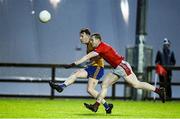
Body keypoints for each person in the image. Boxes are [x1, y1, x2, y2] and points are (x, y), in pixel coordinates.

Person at [65, 33, 166, 113]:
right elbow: (90, 57)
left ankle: (159, 91)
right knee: (104, 85)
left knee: (136, 84)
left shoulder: (100, 47)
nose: (91, 41)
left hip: (122, 66)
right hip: (117, 67)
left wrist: (73, 63)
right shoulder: (100, 47)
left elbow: (87, 57)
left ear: (98, 40)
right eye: (90, 40)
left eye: (92, 40)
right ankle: (96, 106)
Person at [49, 28, 113, 114]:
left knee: (90, 89)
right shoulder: (88, 45)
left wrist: (72, 64)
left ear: (88, 36)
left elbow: (99, 55)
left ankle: (107, 106)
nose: (80, 38)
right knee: (77, 75)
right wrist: (89, 64)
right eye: (80, 36)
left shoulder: (92, 43)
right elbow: (95, 57)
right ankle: (62, 86)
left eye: (82, 36)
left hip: (98, 68)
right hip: (92, 68)